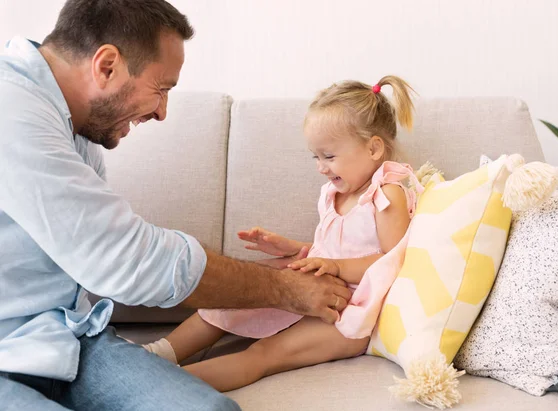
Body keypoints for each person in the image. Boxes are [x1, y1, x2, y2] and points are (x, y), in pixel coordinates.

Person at [0, 1, 351, 410]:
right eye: (161, 88)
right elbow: (124, 257)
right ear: (107, 65)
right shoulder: (13, 110)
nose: (163, 112)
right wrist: (285, 289)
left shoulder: (73, 126)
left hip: (66, 337)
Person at [144, 75, 421, 392]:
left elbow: (393, 260)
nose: (321, 167)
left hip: (351, 310)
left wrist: (337, 268)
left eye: (329, 156)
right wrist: (290, 247)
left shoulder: (387, 194)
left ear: (373, 148)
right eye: (316, 157)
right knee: (226, 305)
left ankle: (162, 389)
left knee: (262, 355)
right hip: (318, 285)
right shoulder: (335, 194)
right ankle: (158, 354)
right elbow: (331, 251)